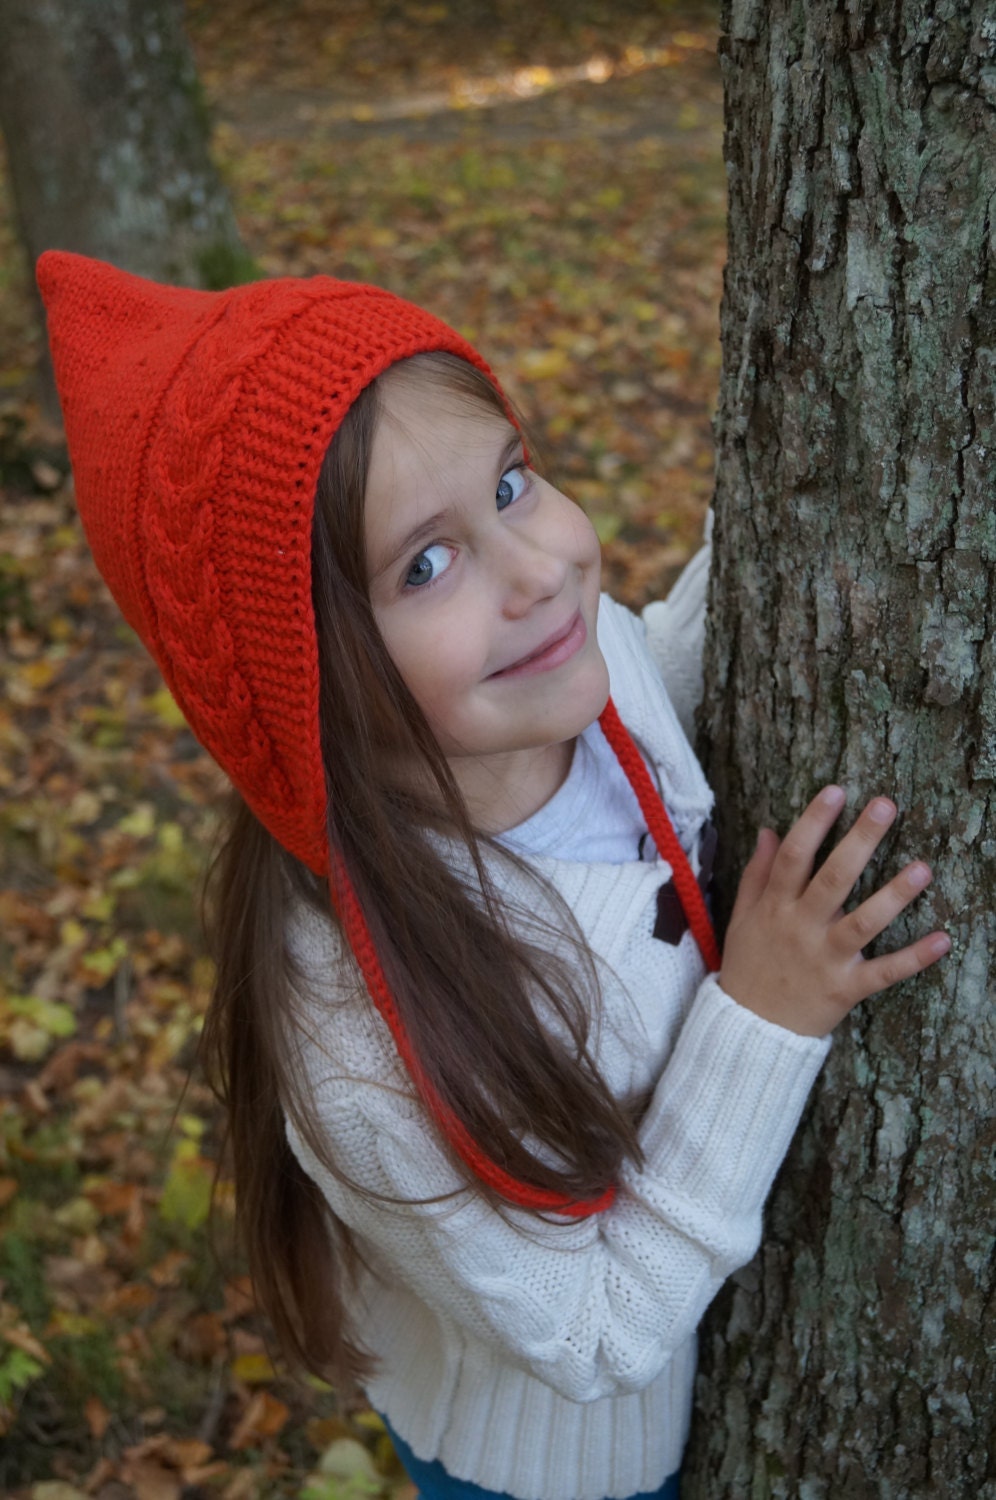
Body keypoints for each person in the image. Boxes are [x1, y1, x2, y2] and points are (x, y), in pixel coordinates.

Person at [37, 251, 949, 1500]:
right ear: (310, 689)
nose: (541, 569)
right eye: (426, 564)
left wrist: (792, 517)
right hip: (558, 1467)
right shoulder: (358, 1041)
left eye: (515, 483)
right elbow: (593, 1332)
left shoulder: (568, 671)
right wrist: (765, 1017)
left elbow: (658, 669)